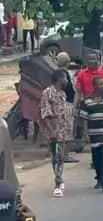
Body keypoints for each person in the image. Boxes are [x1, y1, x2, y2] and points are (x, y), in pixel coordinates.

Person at [40, 69, 71, 198]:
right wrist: (51, 131)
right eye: (65, 78)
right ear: (58, 79)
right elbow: (45, 114)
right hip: (52, 131)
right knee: (55, 157)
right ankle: (58, 180)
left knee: (59, 157)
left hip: (62, 130)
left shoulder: (63, 94)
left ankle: (58, 181)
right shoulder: (47, 93)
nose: (67, 81)